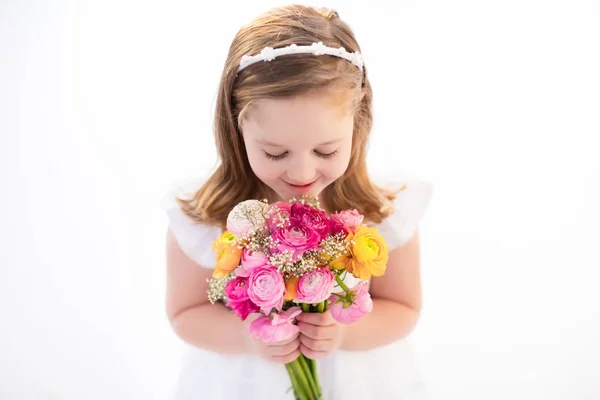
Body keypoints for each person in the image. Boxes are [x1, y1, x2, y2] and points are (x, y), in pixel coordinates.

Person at [163, 4, 433, 399]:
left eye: (326, 151)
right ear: (237, 129)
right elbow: (185, 313)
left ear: (357, 126)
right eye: (275, 153)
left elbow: (403, 308)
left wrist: (343, 333)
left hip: (358, 381)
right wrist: (250, 337)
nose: (303, 173)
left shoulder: (383, 210)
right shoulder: (204, 215)